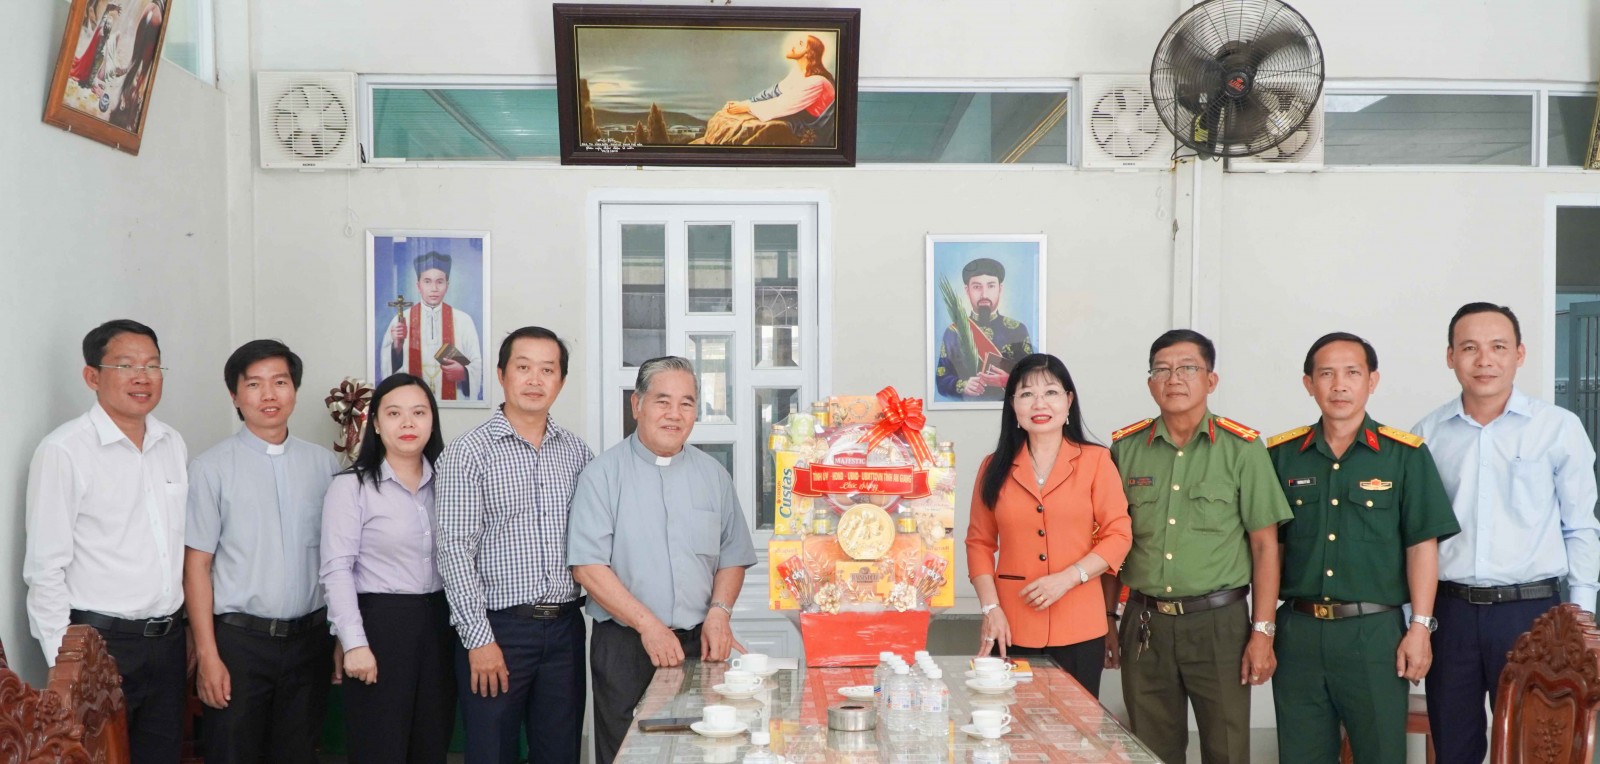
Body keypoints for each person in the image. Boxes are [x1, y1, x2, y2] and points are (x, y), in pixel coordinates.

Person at [1413, 302, 1600, 764]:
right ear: (1450, 356)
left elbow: (1580, 526)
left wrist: (1581, 619)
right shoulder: (1427, 435)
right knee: (1454, 748)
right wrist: (1413, 621)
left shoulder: (1558, 429)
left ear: (1519, 354)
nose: (1485, 360)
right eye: (1469, 348)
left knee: (1535, 748)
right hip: (1450, 615)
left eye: (1498, 347)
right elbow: (1415, 538)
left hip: (1534, 614)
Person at [1266, 333, 1460, 764]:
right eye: (1326, 374)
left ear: (1372, 381)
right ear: (1308, 383)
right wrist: (1263, 628)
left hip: (1374, 634)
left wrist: (1420, 628)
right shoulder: (1281, 456)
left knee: (1381, 754)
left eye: (1352, 373)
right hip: (1299, 631)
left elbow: (1422, 547)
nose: (1339, 385)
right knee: (1300, 755)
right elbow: (1268, 549)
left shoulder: (1404, 455)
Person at [1101, 328, 1292, 764]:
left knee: (1226, 749)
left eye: (1188, 368)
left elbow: (1265, 547)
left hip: (1219, 624)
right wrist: (1107, 619)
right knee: (1151, 751)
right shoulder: (1125, 450)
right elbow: (1111, 543)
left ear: (1211, 380)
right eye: (1162, 370)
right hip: (1145, 622)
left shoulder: (1242, 450)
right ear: (1150, 383)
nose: (1174, 379)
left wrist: (1262, 632)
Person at [568, 356, 758, 764]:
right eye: (662, 401)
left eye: (686, 403)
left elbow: (733, 554)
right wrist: (648, 626)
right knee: (626, 753)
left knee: (702, 751)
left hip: (699, 644)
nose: (675, 414)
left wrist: (720, 612)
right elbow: (587, 566)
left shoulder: (714, 476)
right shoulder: (602, 475)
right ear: (637, 405)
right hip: (626, 646)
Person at [24, 319, 187, 763]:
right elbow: (45, 568)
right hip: (100, 644)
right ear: (92, 376)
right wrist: (66, 667)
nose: (142, 377)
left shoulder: (172, 443)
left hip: (168, 642)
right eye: (126, 365)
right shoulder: (65, 450)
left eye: (152, 365)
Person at [435, 327, 593, 764]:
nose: (535, 380)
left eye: (548, 370)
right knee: (492, 752)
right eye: (523, 367)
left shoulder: (578, 454)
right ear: (502, 374)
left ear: (561, 381)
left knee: (560, 753)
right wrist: (478, 639)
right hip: (498, 630)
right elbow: (454, 550)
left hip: (564, 631)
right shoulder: (469, 452)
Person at [184, 339, 341, 763]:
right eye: (254, 384)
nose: (269, 395)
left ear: (295, 390)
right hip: (239, 645)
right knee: (233, 752)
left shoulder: (325, 466)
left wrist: (340, 636)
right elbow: (196, 566)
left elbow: (337, 562)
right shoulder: (210, 469)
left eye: (280, 382)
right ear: (235, 396)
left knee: (299, 753)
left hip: (310, 642)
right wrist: (207, 655)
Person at [966, 353, 1132, 697]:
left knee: (1078, 723)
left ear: (1068, 400)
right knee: (1015, 722)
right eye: (1027, 394)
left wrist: (1068, 578)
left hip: (1081, 623)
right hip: (1011, 623)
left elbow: (1118, 534)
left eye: (1051, 393)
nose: (1039, 403)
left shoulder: (1096, 460)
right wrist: (990, 609)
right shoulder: (993, 467)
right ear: (1013, 404)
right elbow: (979, 543)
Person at [320, 373, 455, 764]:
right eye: (394, 413)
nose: (408, 423)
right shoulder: (352, 487)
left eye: (419, 412)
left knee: (431, 745)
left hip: (441, 625)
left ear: (432, 420)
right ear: (376, 424)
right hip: (380, 626)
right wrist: (353, 643)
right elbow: (337, 570)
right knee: (380, 747)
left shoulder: (451, 483)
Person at [381, 251, 484, 402]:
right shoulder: (401, 320)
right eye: (427, 281)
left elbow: (476, 363)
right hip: (412, 402)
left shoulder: (463, 320)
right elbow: (387, 368)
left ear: (447, 285)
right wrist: (396, 346)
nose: (434, 288)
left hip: (455, 401)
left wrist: (464, 373)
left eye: (440, 282)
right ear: (418, 285)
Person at [936, 257, 1035, 402]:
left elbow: (1032, 379)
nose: (984, 294)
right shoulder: (953, 332)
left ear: (1000, 289)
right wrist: (963, 385)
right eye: (977, 287)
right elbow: (941, 380)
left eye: (991, 286)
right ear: (967, 291)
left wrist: (1008, 381)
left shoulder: (1017, 330)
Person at [724, 35, 837, 140]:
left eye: (800, 44)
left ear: (809, 53)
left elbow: (784, 104)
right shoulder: (799, 72)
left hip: (811, 128)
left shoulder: (817, 81)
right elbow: (774, 92)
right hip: (793, 116)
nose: (793, 45)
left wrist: (747, 107)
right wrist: (744, 103)